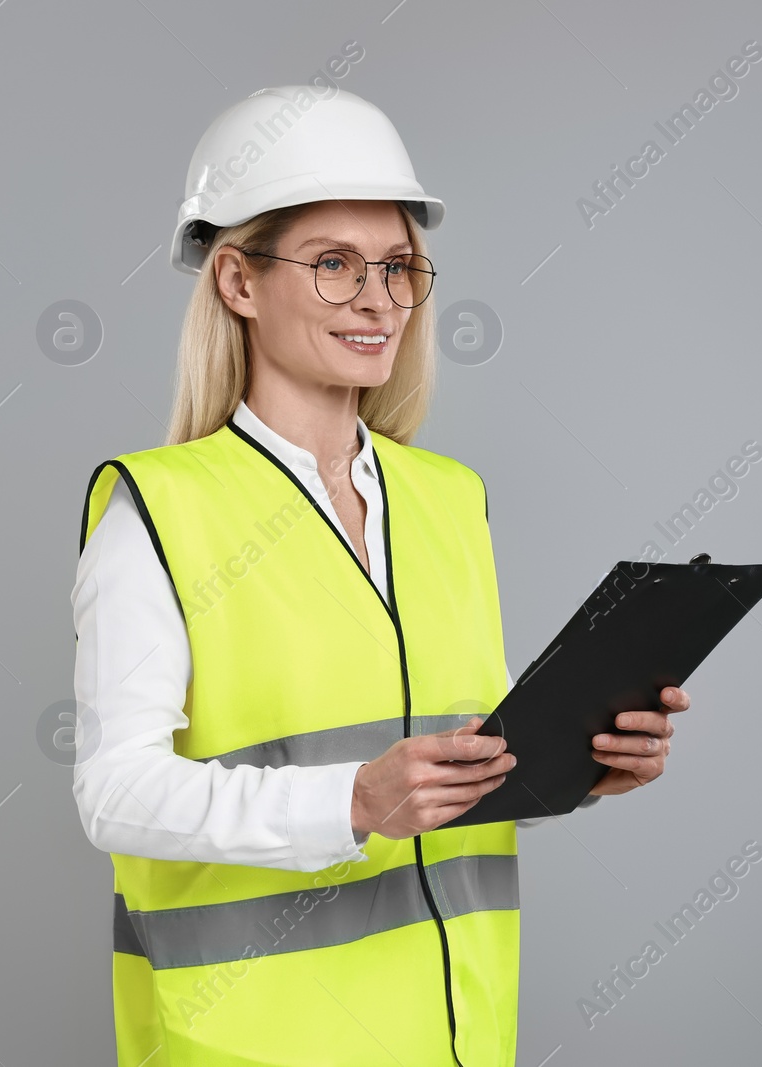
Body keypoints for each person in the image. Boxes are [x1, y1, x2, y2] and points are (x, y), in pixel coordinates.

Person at [69, 85, 691, 1067]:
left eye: (399, 266)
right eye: (333, 265)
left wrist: (581, 766)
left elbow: (447, 767)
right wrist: (351, 802)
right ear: (236, 280)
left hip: (458, 1033)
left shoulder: (449, 498)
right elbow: (114, 792)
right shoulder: (159, 508)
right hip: (252, 1044)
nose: (378, 299)